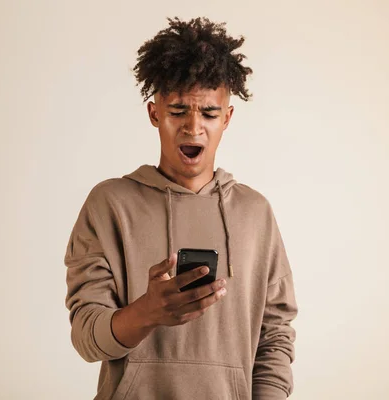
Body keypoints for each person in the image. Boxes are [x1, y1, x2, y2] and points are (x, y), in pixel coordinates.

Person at [64, 16, 298, 400]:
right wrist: (148, 312)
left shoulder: (255, 213)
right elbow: (87, 339)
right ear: (154, 113)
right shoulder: (110, 204)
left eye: (208, 113)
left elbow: (274, 335)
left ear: (227, 118)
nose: (193, 127)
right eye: (177, 111)